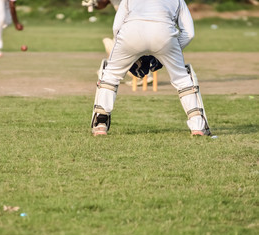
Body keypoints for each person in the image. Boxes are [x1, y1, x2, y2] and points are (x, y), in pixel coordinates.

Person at [91, 0, 211, 137]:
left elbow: (116, 28)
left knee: (111, 75)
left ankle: (100, 123)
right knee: (182, 78)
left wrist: (129, 52)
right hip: (164, 34)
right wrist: (169, 52)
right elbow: (189, 33)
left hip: (131, 32)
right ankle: (197, 126)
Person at [83, 0, 155, 86]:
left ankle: (140, 75)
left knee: (116, 48)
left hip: (133, 25)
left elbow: (103, 2)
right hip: (127, 26)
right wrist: (94, 3)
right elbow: (103, 4)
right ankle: (142, 75)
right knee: (115, 48)